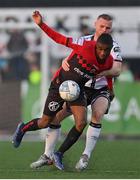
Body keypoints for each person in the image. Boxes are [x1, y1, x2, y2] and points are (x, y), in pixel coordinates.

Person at [12, 11, 114, 170]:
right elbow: (59, 38)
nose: (102, 53)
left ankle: (58, 154)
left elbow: (107, 75)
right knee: (45, 121)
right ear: (96, 46)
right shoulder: (85, 46)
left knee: (81, 122)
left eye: (106, 51)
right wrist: (41, 24)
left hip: (77, 89)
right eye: (100, 49)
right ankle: (23, 128)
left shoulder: (109, 61)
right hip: (60, 85)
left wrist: (111, 89)